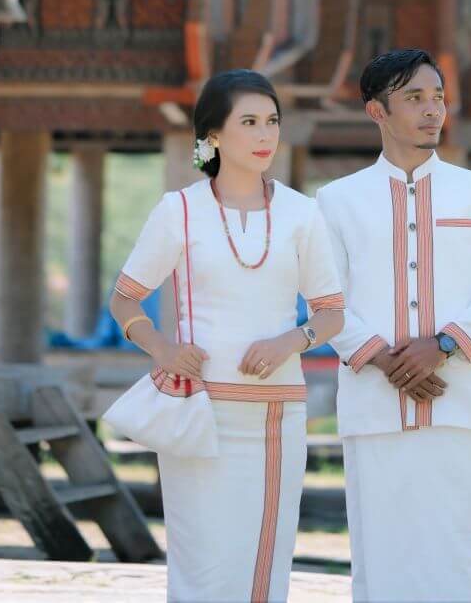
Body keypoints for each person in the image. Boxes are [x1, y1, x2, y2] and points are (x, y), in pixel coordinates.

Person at [110, 69, 343, 603]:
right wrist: (164, 349)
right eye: (250, 122)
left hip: (277, 416)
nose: (266, 135)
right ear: (213, 135)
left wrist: (290, 341)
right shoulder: (179, 210)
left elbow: (332, 312)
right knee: (202, 564)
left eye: (272, 121)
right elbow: (124, 298)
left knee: (264, 560)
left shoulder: (303, 213)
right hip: (200, 411)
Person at [317, 48, 471, 603]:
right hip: (372, 404)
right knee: (379, 553)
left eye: (438, 97)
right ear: (376, 111)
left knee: (454, 551)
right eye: (414, 98)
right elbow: (324, 298)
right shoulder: (336, 201)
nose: (432, 110)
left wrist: (443, 345)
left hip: (458, 402)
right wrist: (387, 360)